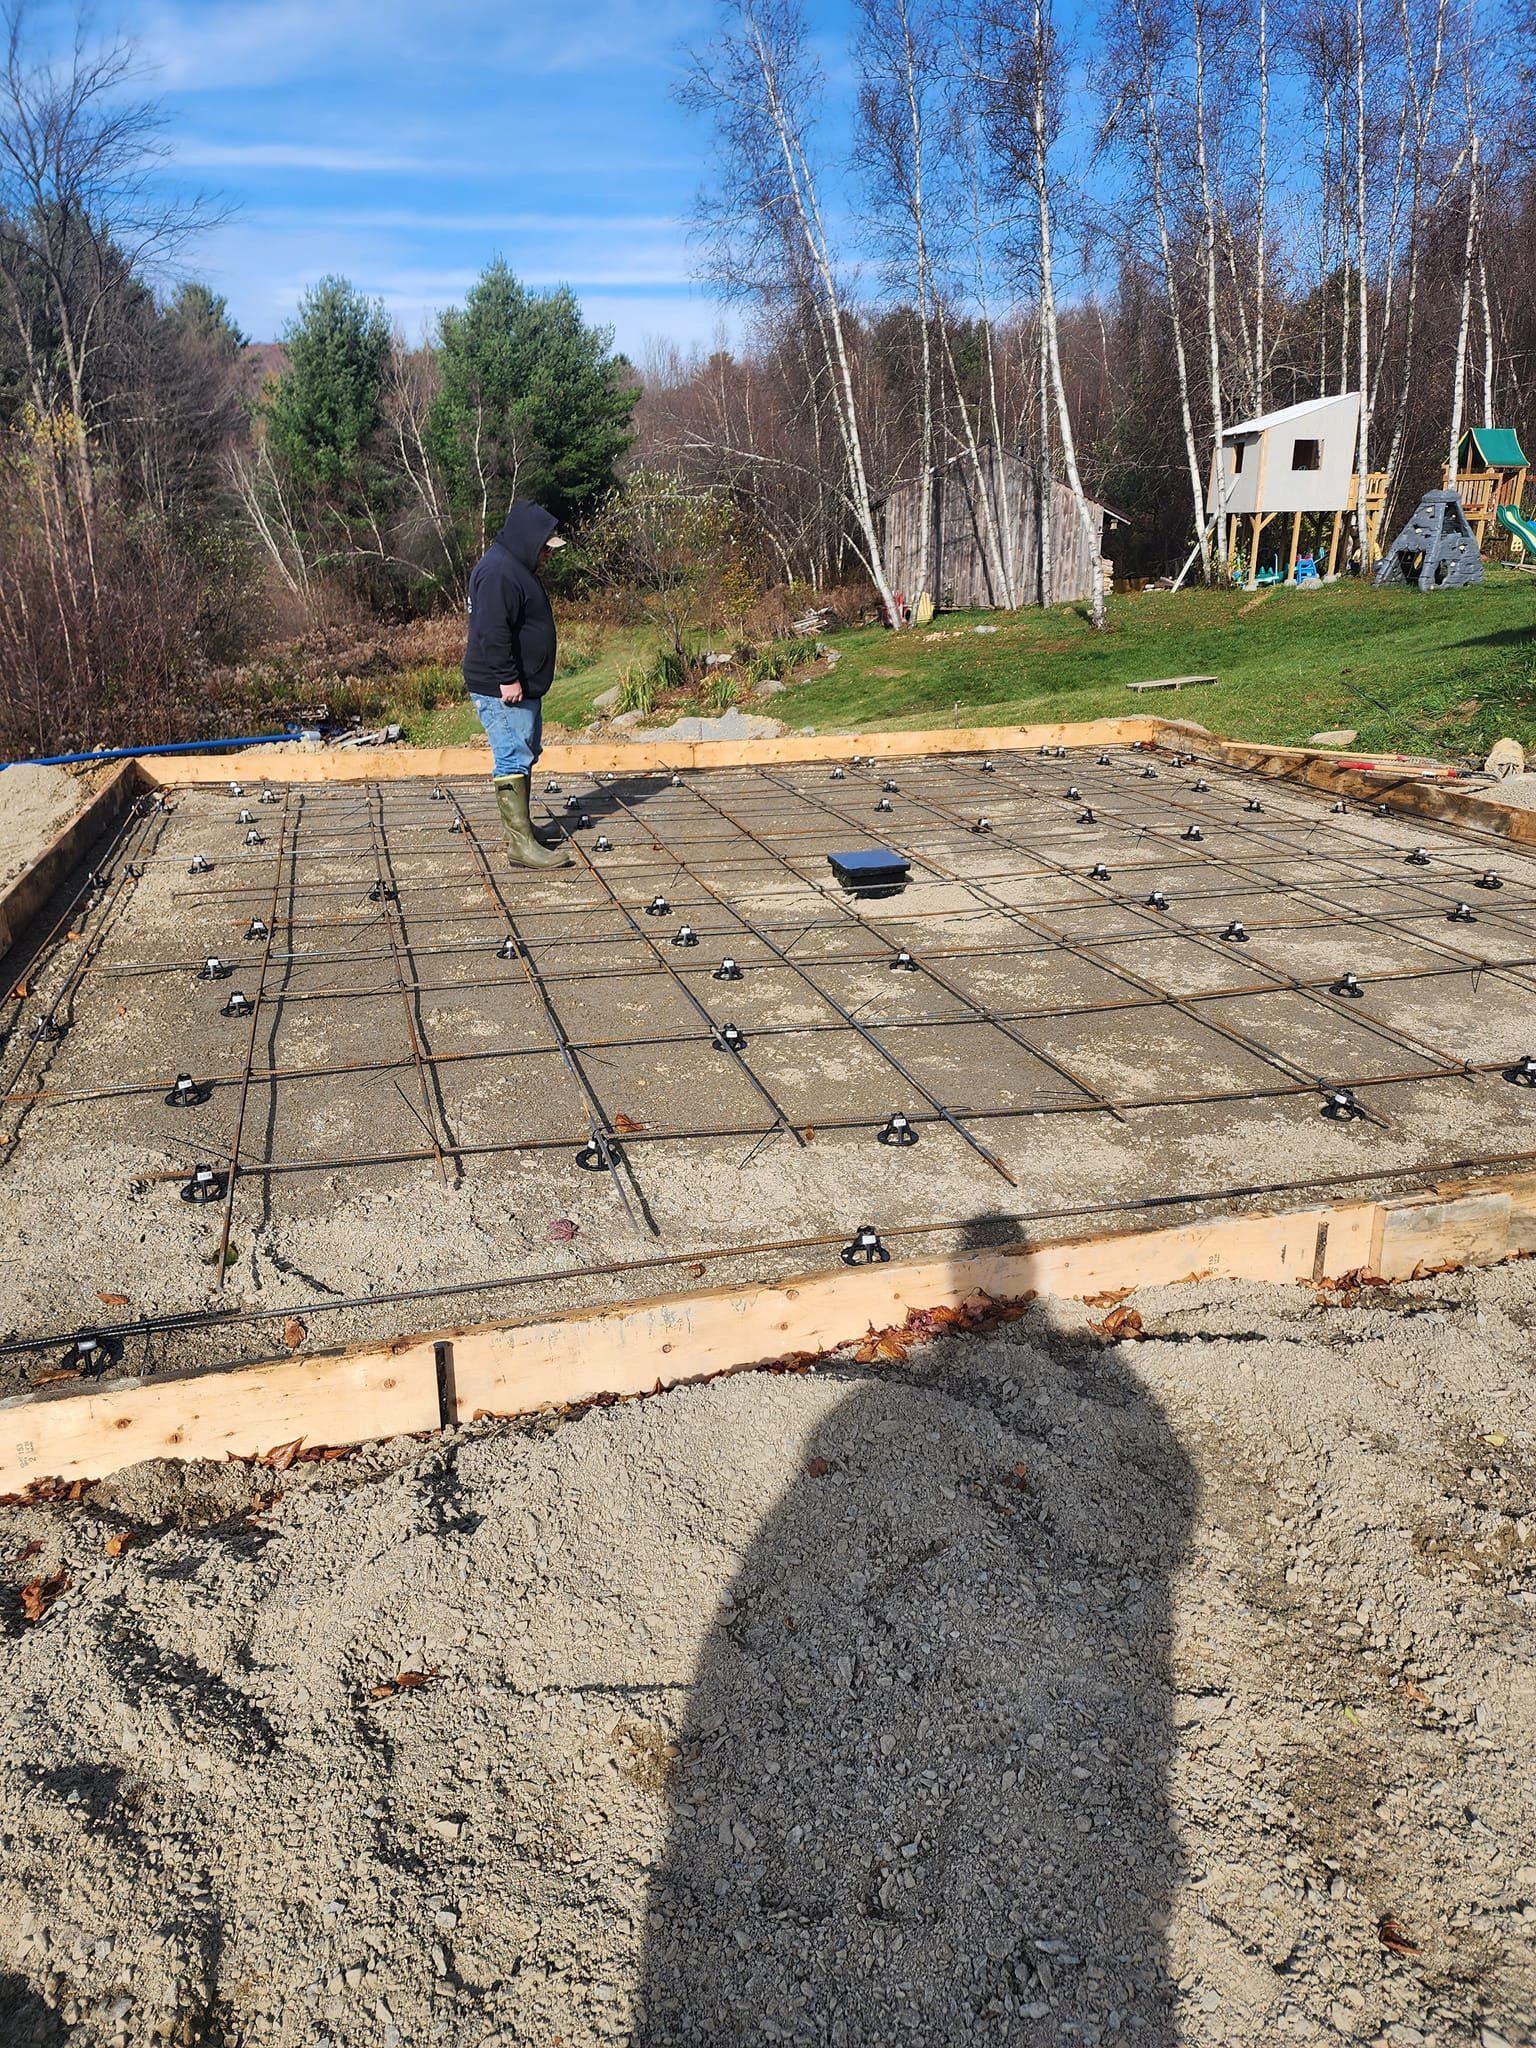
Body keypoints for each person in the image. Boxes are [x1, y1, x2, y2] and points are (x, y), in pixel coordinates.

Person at [463, 499, 573, 869]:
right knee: (511, 756)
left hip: (519, 684)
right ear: (529, 540)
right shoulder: (499, 572)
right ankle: (519, 846)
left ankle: (523, 830)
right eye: (544, 547)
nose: (548, 555)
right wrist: (508, 678)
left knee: (522, 753)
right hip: (502, 687)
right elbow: (491, 633)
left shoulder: (512, 566)